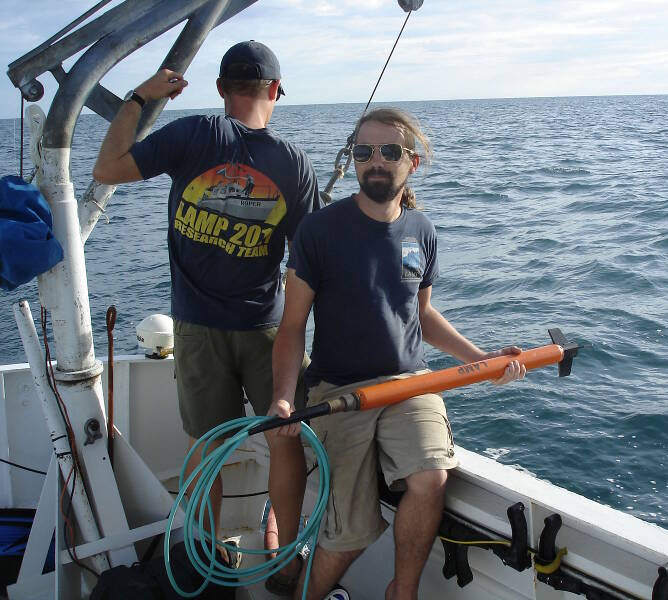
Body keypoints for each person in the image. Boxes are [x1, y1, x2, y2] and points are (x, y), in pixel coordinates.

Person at [270, 107, 527, 600]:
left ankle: (402, 592)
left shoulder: (422, 231)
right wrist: (285, 397)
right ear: (354, 159)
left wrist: (482, 358)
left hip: (411, 383)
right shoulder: (318, 232)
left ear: (412, 161)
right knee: (346, 540)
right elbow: (291, 328)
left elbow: (422, 317)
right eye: (364, 152)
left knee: (430, 478)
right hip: (338, 390)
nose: (376, 162)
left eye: (390, 152)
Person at [92, 41, 319, 589]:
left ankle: (208, 561)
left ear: (220, 90)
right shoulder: (293, 164)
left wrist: (139, 97)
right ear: (276, 90)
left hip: (196, 327)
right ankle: (288, 560)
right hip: (271, 329)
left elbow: (107, 167)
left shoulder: (192, 134)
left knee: (208, 447)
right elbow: (310, 268)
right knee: (284, 438)